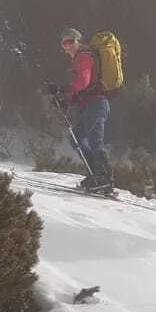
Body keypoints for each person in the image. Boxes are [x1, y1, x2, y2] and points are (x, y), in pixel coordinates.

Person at [45, 28, 112, 191]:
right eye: (64, 43)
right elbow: (83, 88)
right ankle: (95, 174)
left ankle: (104, 178)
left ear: (78, 41)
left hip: (97, 104)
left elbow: (83, 82)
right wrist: (67, 100)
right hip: (90, 104)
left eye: (70, 41)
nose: (67, 46)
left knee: (95, 141)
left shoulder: (84, 57)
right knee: (76, 137)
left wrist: (62, 89)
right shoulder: (80, 58)